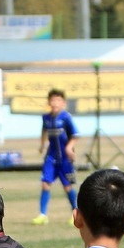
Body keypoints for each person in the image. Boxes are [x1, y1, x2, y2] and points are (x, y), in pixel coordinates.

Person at [30, 89, 78, 225]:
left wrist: (69, 148)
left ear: (63, 103)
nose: (55, 103)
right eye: (52, 100)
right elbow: (44, 130)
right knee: (45, 184)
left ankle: (76, 213)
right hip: (51, 157)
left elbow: (75, 135)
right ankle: (42, 215)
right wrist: (41, 144)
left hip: (65, 159)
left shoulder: (66, 118)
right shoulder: (46, 117)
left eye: (58, 100)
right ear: (49, 102)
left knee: (67, 187)